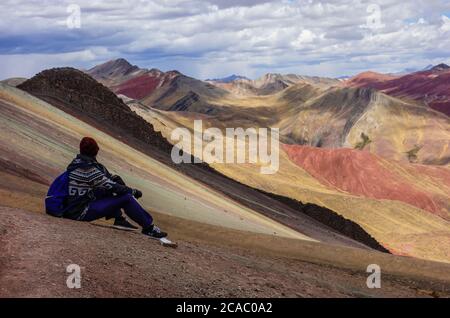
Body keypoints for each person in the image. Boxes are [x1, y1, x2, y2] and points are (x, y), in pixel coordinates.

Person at [62, 136, 167, 239]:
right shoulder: (87, 169)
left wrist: (116, 179)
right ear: (95, 151)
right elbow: (111, 186)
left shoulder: (77, 163)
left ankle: (119, 219)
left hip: (73, 208)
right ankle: (149, 228)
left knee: (107, 189)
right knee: (126, 198)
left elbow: (105, 179)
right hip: (80, 212)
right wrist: (132, 191)